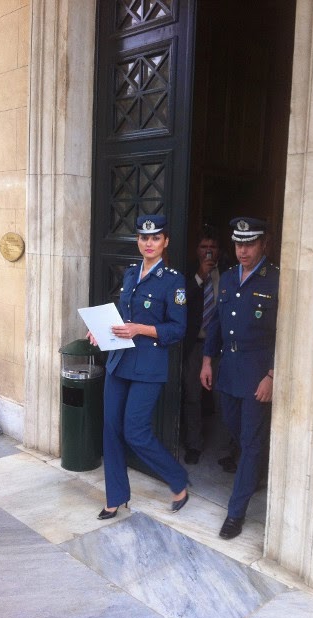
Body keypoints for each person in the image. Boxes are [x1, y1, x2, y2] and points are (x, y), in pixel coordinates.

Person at [87, 215, 189, 519]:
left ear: (165, 242)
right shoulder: (131, 273)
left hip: (149, 366)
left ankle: (177, 478)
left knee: (135, 431)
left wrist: (139, 329)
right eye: (144, 238)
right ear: (138, 241)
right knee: (111, 429)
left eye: (156, 238)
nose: (149, 243)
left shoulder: (173, 280)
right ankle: (115, 497)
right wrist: (100, 330)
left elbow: (178, 329)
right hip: (120, 361)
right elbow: (123, 315)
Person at [200, 217, 279, 540]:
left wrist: (272, 374)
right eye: (238, 244)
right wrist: (207, 360)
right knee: (234, 427)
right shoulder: (230, 277)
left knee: (250, 442)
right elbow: (216, 322)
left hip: (258, 373)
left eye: (249, 244)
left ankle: (236, 513)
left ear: (263, 244)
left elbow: (285, 334)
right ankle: (257, 467)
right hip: (229, 369)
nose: (243, 251)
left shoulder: (275, 280)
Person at [182, 225, 237, 471]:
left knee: (224, 399)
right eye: (203, 247)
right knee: (192, 396)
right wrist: (199, 277)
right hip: (195, 345)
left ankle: (227, 451)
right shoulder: (187, 273)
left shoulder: (229, 273)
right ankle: (193, 444)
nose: (208, 252)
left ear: (219, 250)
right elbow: (180, 301)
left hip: (221, 346)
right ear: (197, 250)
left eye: (212, 247)